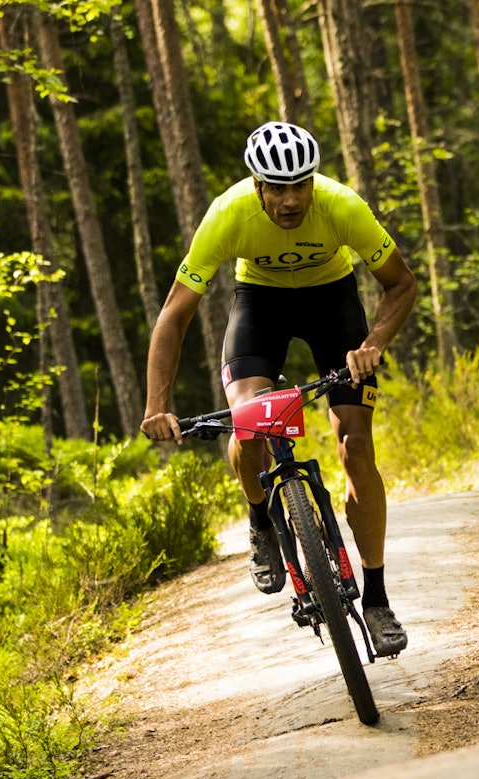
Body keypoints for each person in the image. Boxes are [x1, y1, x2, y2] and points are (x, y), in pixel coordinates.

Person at [140, 121, 417, 656]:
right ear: (257, 185)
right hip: (259, 305)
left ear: (314, 182)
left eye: (301, 186)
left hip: (332, 304)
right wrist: (157, 405)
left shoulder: (342, 206)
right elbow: (174, 314)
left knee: (356, 446)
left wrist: (374, 343)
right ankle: (260, 517)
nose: (291, 200)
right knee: (248, 426)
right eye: (277, 187)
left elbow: (400, 283)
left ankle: (378, 599)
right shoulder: (228, 214)